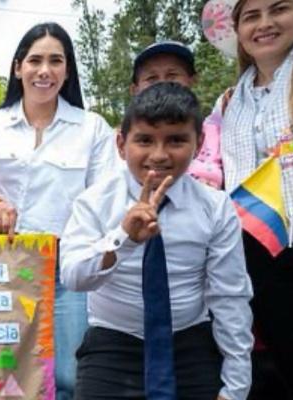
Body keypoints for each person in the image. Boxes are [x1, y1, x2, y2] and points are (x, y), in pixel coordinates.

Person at [60, 83, 253, 399]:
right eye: (145, 140)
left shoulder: (216, 208)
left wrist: (235, 387)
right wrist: (123, 238)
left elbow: (230, 298)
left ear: (199, 143)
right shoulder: (93, 202)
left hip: (190, 343)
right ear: (121, 144)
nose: (159, 155)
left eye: (176, 140)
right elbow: (74, 277)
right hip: (113, 345)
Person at [0, 22, 120, 399]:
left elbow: (106, 197)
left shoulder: (91, 128)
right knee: (4, 372)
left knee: (69, 374)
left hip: (67, 268)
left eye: (55, 61)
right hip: (3, 267)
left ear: (67, 71)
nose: (44, 70)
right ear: (18, 67)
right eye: (35, 60)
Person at [212, 0, 293, 397]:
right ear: (237, 28)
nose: (265, 24)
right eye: (251, 16)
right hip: (259, 248)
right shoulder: (228, 103)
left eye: (279, 9)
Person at [130, 40, 226, 189]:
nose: (163, 83)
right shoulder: (128, 140)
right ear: (134, 89)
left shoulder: (218, 132)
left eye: (172, 75)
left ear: (193, 80)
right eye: (151, 78)